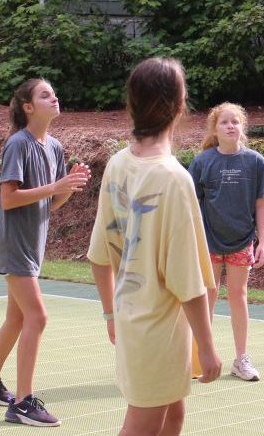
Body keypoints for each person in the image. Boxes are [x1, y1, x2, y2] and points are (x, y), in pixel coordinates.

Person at [88, 57, 222, 436]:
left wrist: (111, 314)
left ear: (132, 104)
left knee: (173, 415)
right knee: (142, 425)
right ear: (180, 105)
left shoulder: (118, 164)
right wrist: (207, 346)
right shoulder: (174, 178)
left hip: (135, 318)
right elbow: (187, 279)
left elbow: (99, 256)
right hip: (156, 328)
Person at [0, 78, 91, 427]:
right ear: (28, 107)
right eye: (45, 95)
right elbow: (9, 199)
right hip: (13, 244)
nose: (54, 98)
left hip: (31, 244)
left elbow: (50, 203)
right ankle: (22, 403)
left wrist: (68, 186)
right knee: (37, 317)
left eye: (54, 93)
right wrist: (57, 185)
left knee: (18, 318)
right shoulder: (17, 144)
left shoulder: (54, 147)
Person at [188, 102, 264, 382]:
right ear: (214, 129)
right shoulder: (202, 162)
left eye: (235, 121)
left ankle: (241, 360)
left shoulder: (256, 162)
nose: (230, 126)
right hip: (208, 242)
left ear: (242, 126)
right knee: (207, 298)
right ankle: (200, 359)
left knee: (238, 296)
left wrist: (262, 242)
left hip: (242, 241)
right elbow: (191, 206)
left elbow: (261, 205)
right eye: (224, 122)